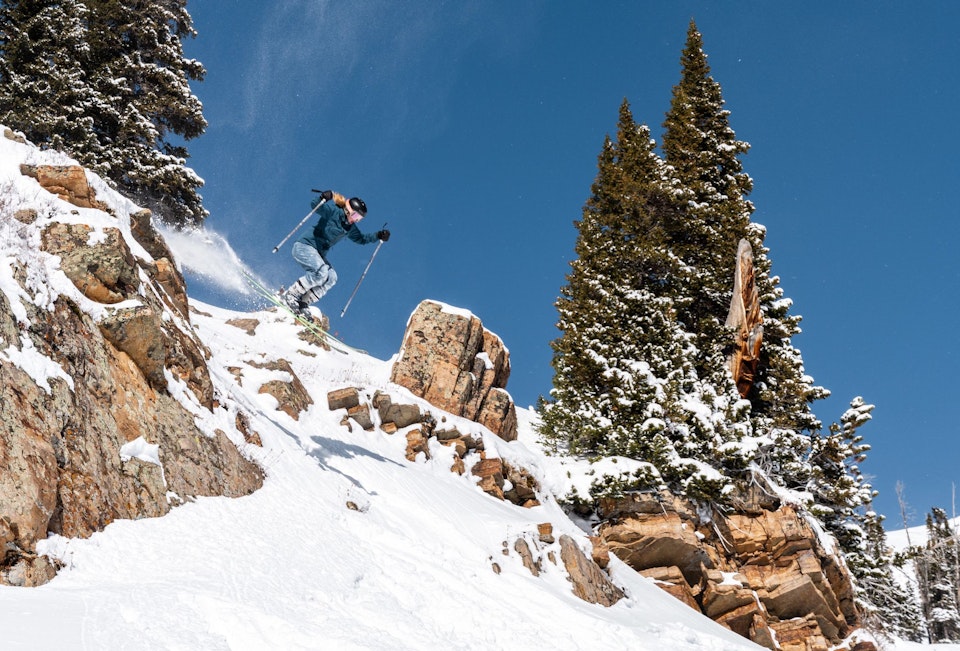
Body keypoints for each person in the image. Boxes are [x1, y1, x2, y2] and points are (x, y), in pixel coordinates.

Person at [281, 190, 390, 314]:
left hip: (318, 254)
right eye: (355, 216)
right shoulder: (334, 212)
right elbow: (315, 205)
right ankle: (291, 294)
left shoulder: (350, 228)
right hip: (304, 246)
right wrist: (323, 197)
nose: (356, 220)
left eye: (359, 219)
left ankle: (303, 301)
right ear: (348, 209)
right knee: (321, 272)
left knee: (331, 277)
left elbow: (361, 239)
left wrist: (378, 235)